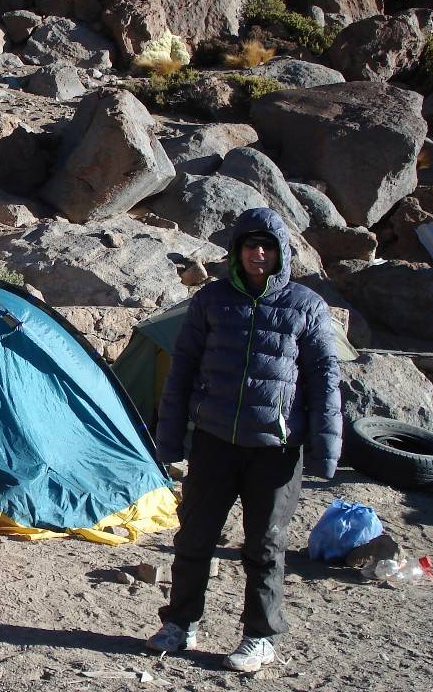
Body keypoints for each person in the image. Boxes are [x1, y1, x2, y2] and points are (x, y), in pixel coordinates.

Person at [145, 207, 342, 672]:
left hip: (275, 450)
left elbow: (323, 378)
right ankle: (181, 622)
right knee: (194, 535)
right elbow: (182, 371)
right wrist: (169, 439)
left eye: (267, 246)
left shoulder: (306, 306)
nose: (258, 254)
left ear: (281, 253)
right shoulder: (212, 301)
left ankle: (259, 636)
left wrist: (325, 446)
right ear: (236, 251)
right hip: (214, 440)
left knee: (265, 546)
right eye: (250, 245)